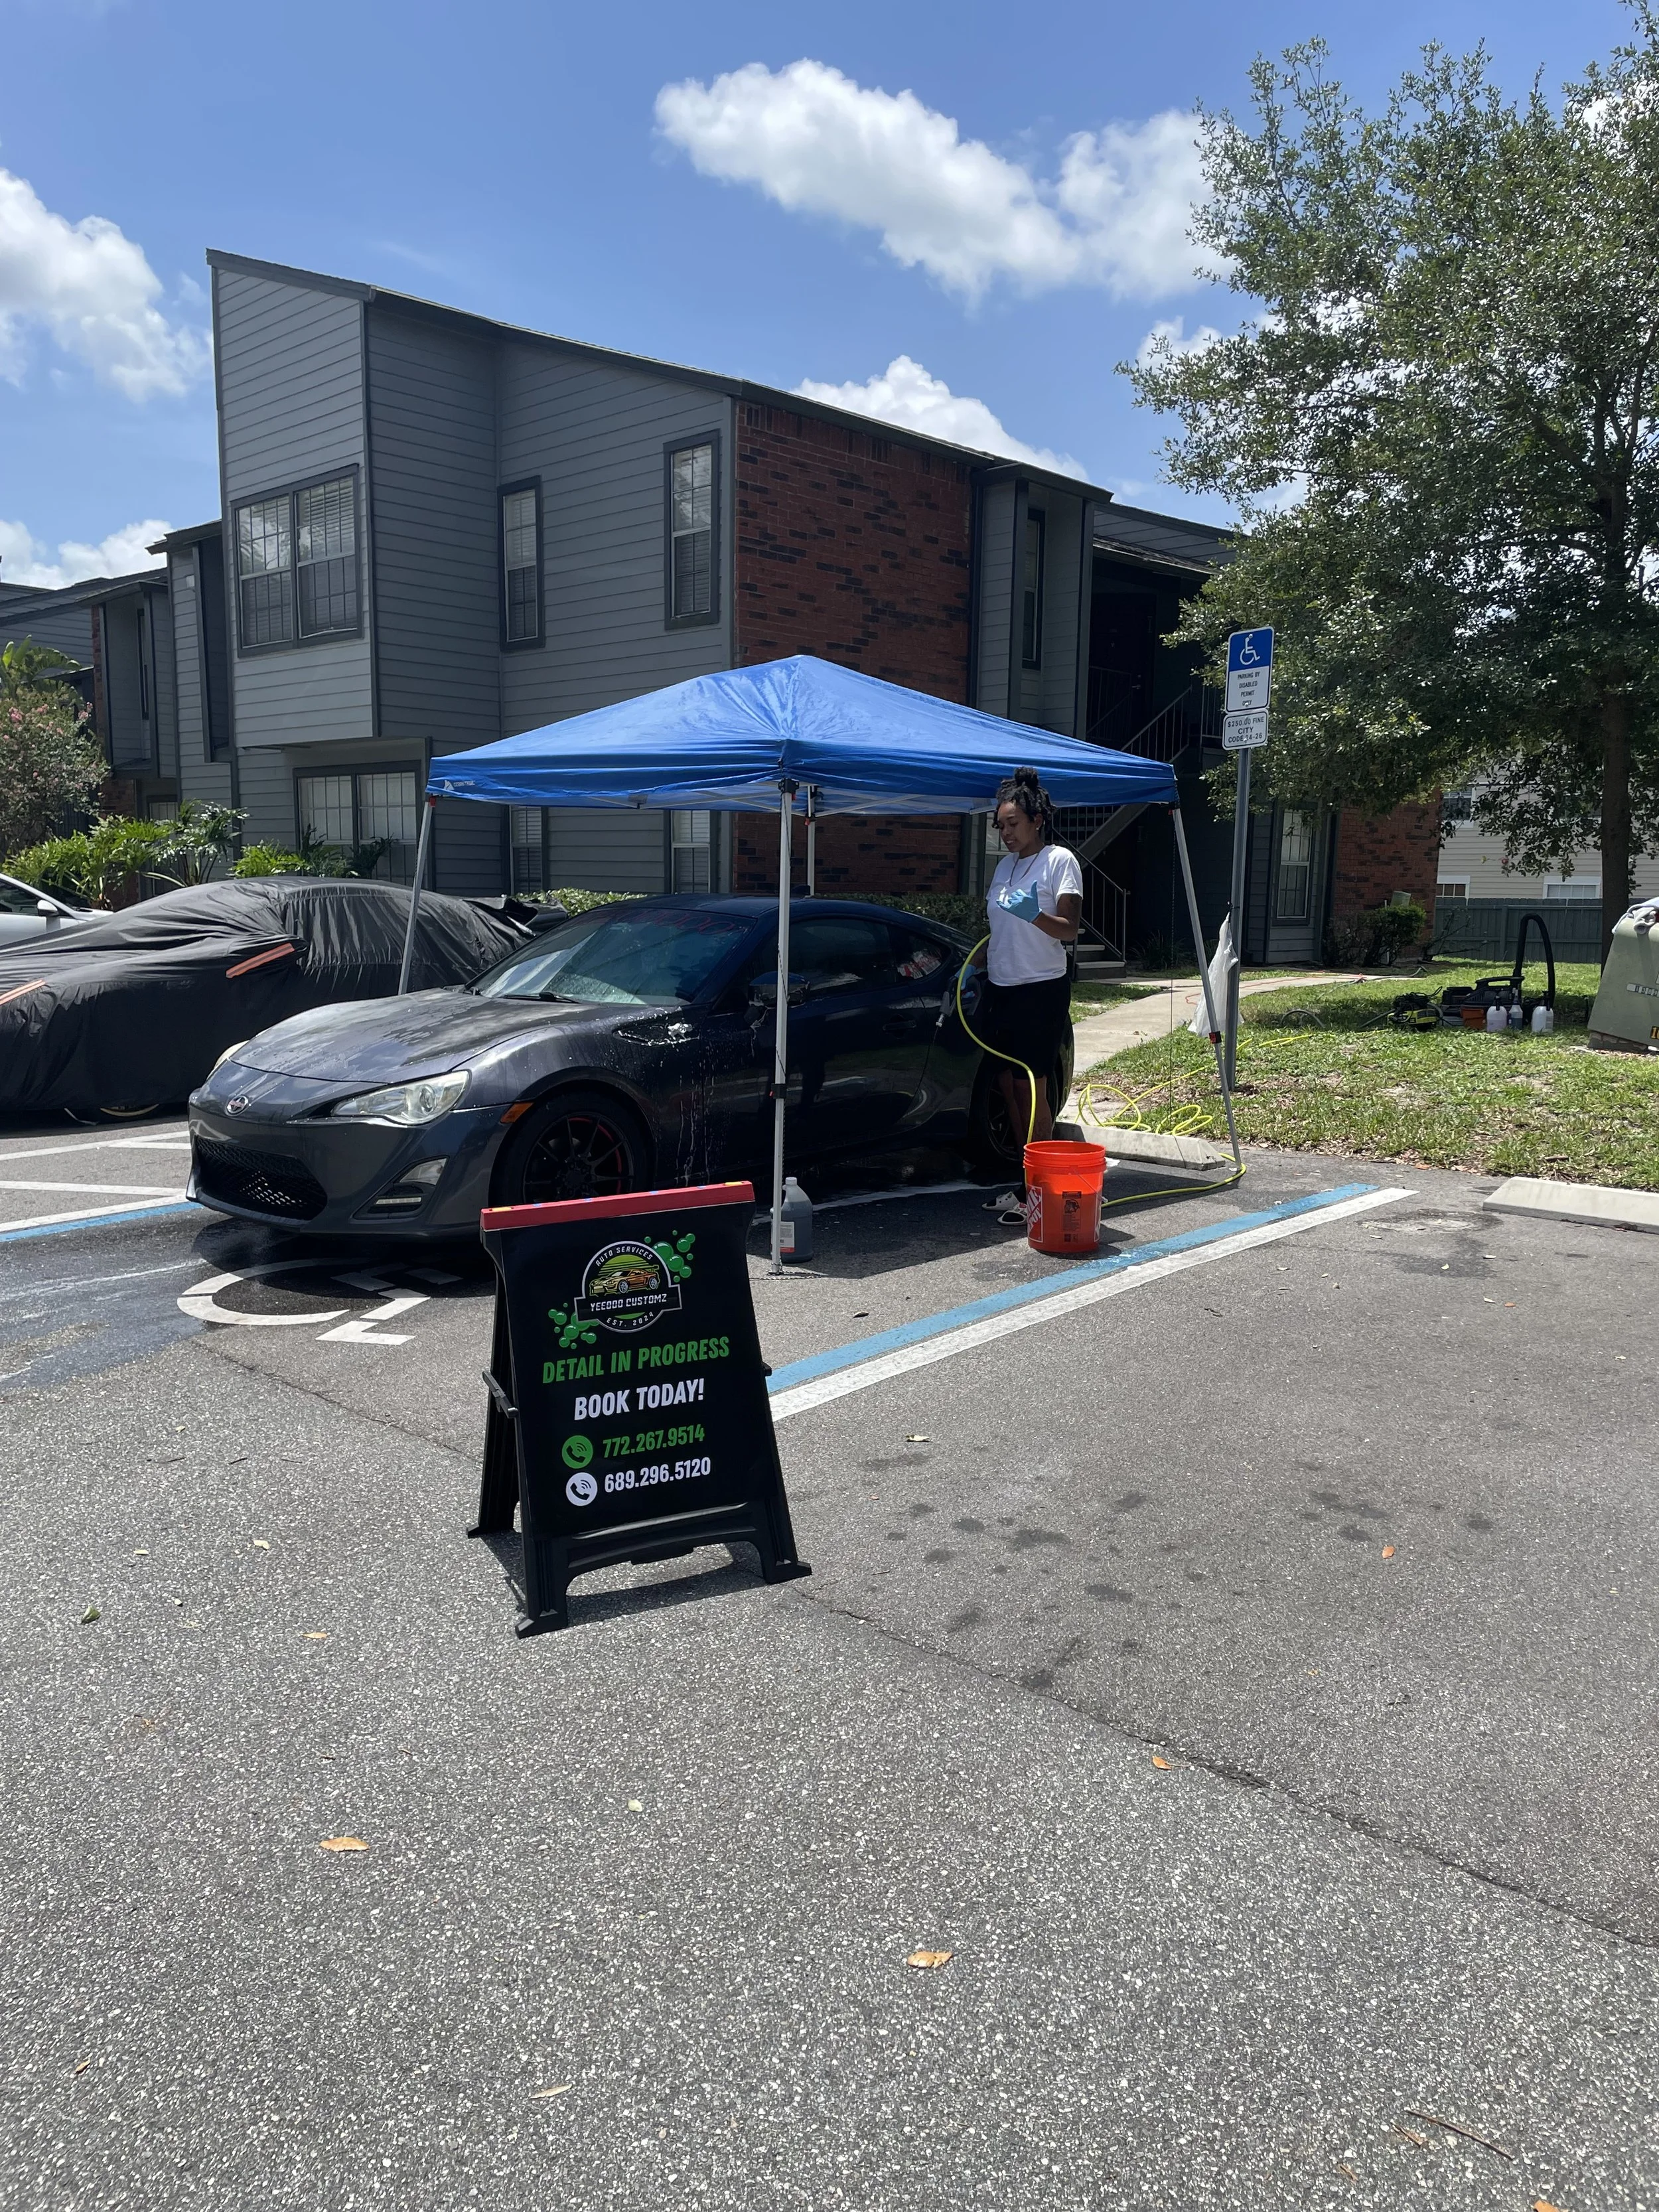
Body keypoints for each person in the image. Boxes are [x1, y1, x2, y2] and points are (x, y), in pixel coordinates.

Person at [970, 767, 1082, 1167]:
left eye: (1013, 824)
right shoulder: (1004, 868)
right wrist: (971, 964)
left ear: (1037, 820)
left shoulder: (1059, 861)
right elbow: (1000, 930)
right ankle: (1023, 1169)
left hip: (1040, 989)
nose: (1006, 834)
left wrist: (1033, 914)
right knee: (1006, 1082)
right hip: (1003, 986)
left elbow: (1069, 930)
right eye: (1000, 826)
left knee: (1030, 1085)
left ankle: (1042, 1175)